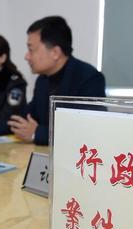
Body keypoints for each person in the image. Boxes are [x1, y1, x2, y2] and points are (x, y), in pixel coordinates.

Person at [8, 16, 106, 145]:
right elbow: (25, 116)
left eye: (31, 50)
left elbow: (87, 131)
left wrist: (37, 133)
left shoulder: (89, 79)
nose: (26, 56)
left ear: (55, 52)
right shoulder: (42, 80)